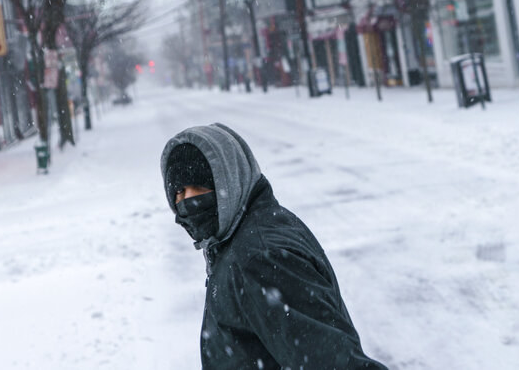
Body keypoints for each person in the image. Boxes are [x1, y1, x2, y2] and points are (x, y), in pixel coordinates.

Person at [160, 123, 388, 369]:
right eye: (179, 191)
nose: (187, 200)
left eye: (199, 186)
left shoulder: (260, 258)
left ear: (228, 179)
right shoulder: (243, 235)